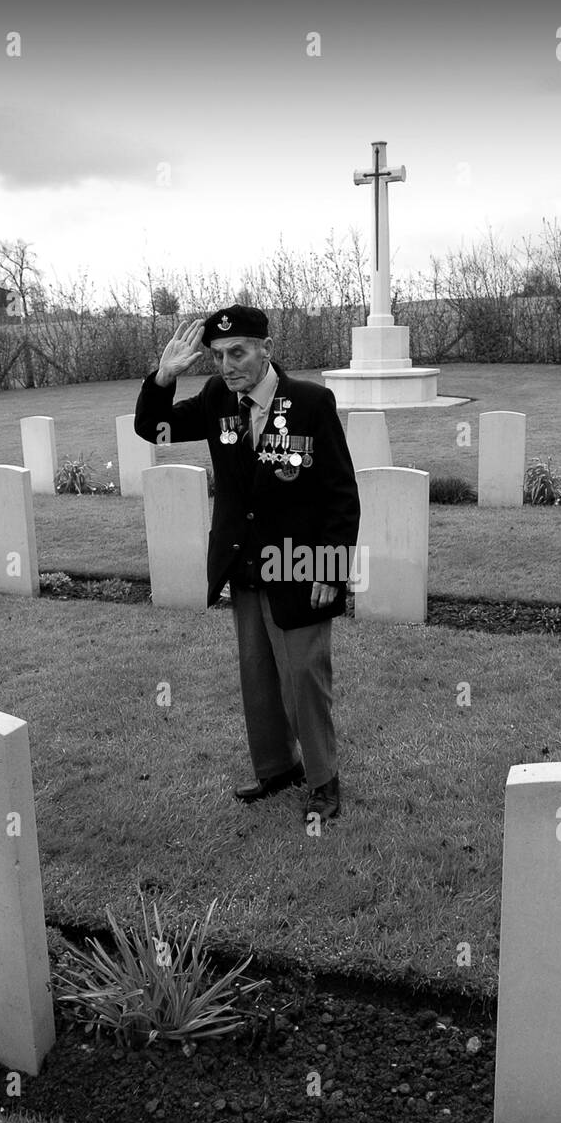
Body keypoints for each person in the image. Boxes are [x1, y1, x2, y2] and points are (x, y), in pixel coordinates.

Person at [134, 305, 360, 825]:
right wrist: (164, 376)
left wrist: (331, 566)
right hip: (245, 562)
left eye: (237, 352)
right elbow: (156, 427)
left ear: (267, 348)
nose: (227, 364)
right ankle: (278, 767)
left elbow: (341, 494)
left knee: (303, 675)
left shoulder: (310, 403)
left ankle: (324, 782)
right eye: (217, 356)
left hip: (300, 564)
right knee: (258, 671)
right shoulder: (218, 398)